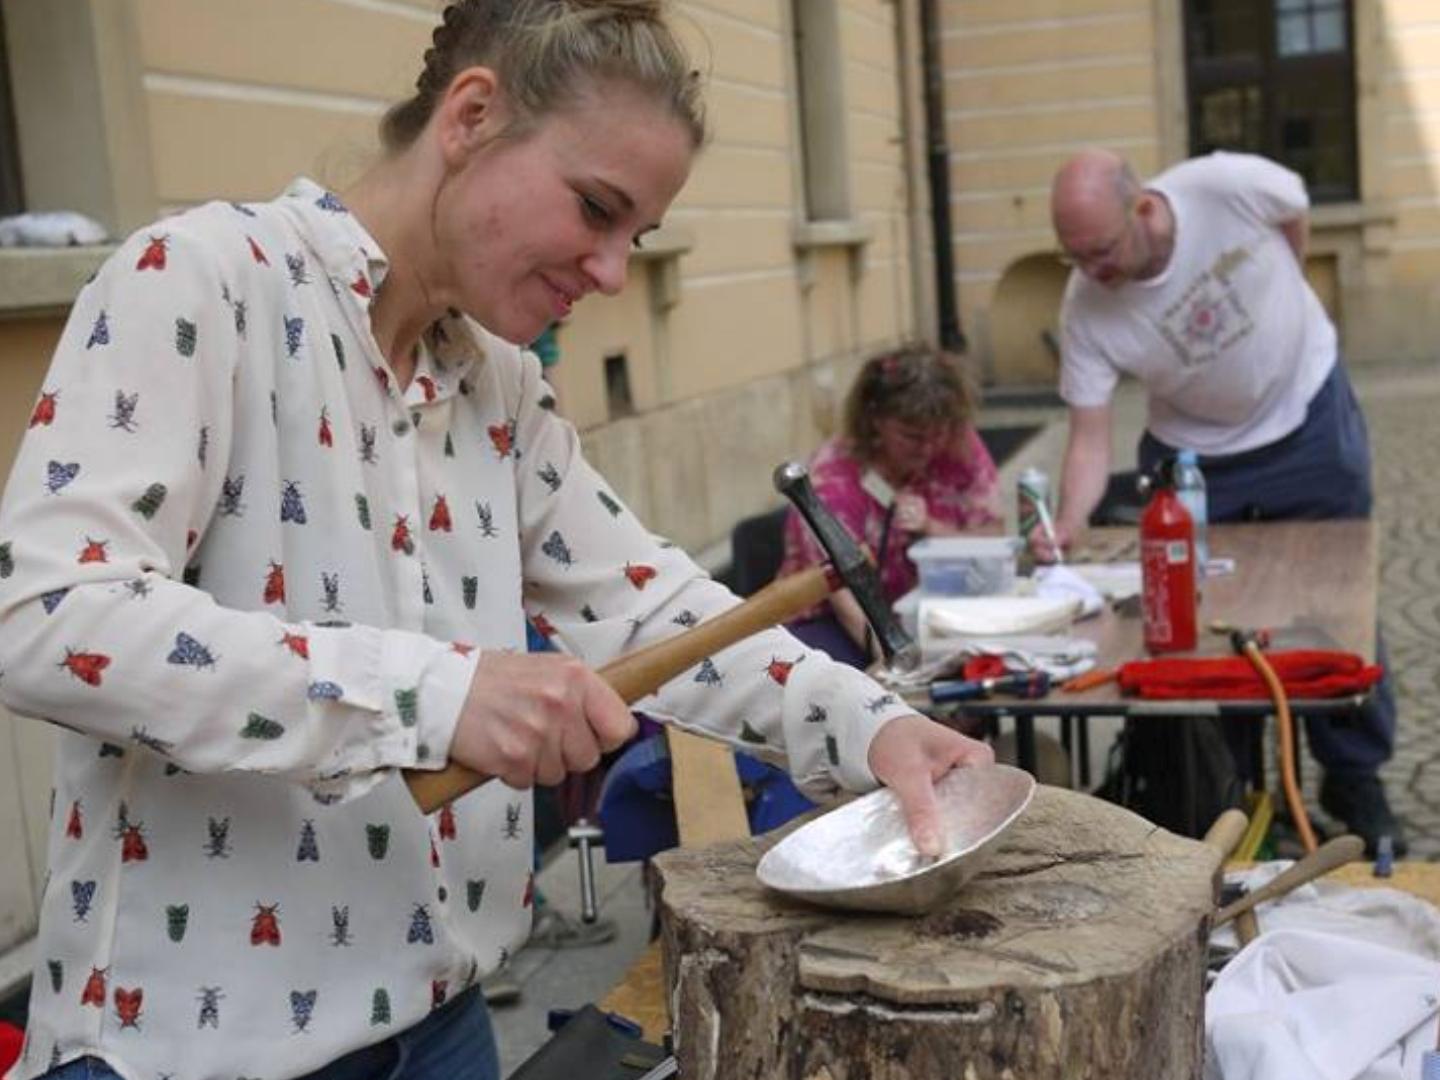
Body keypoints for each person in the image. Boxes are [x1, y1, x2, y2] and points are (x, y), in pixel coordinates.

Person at [0, 3, 994, 1079]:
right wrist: (439, 693)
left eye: (637, 238)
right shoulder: (198, 281)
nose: (612, 271)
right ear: (472, 116)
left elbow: (649, 606)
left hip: (443, 1020)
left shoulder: (498, 382)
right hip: (189, 1045)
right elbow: (48, 615)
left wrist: (870, 728)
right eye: (596, 209)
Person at [1038, 147, 1402, 856]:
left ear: (1143, 207)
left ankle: (1355, 778)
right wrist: (1070, 523)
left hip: (1308, 420)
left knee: (1335, 599)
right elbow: (1088, 437)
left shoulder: (1224, 186)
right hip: (1195, 461)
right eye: (1073, 256)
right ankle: (1234, 793)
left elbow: (1294, 210)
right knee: (1206, 620)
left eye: (1102, 250)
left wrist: (1284, 294)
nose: (1091, 271)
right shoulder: (1086, 305)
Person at [778, 345, 1003, 667]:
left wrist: (933, 529)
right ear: (875, 420)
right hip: (836, 622)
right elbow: (843, 599)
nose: (928, 448)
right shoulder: (832, 481)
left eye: (936, 434)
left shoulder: (956, 443)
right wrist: (898, 665)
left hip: (927, 609)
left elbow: (995, 537)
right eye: (911, 436)